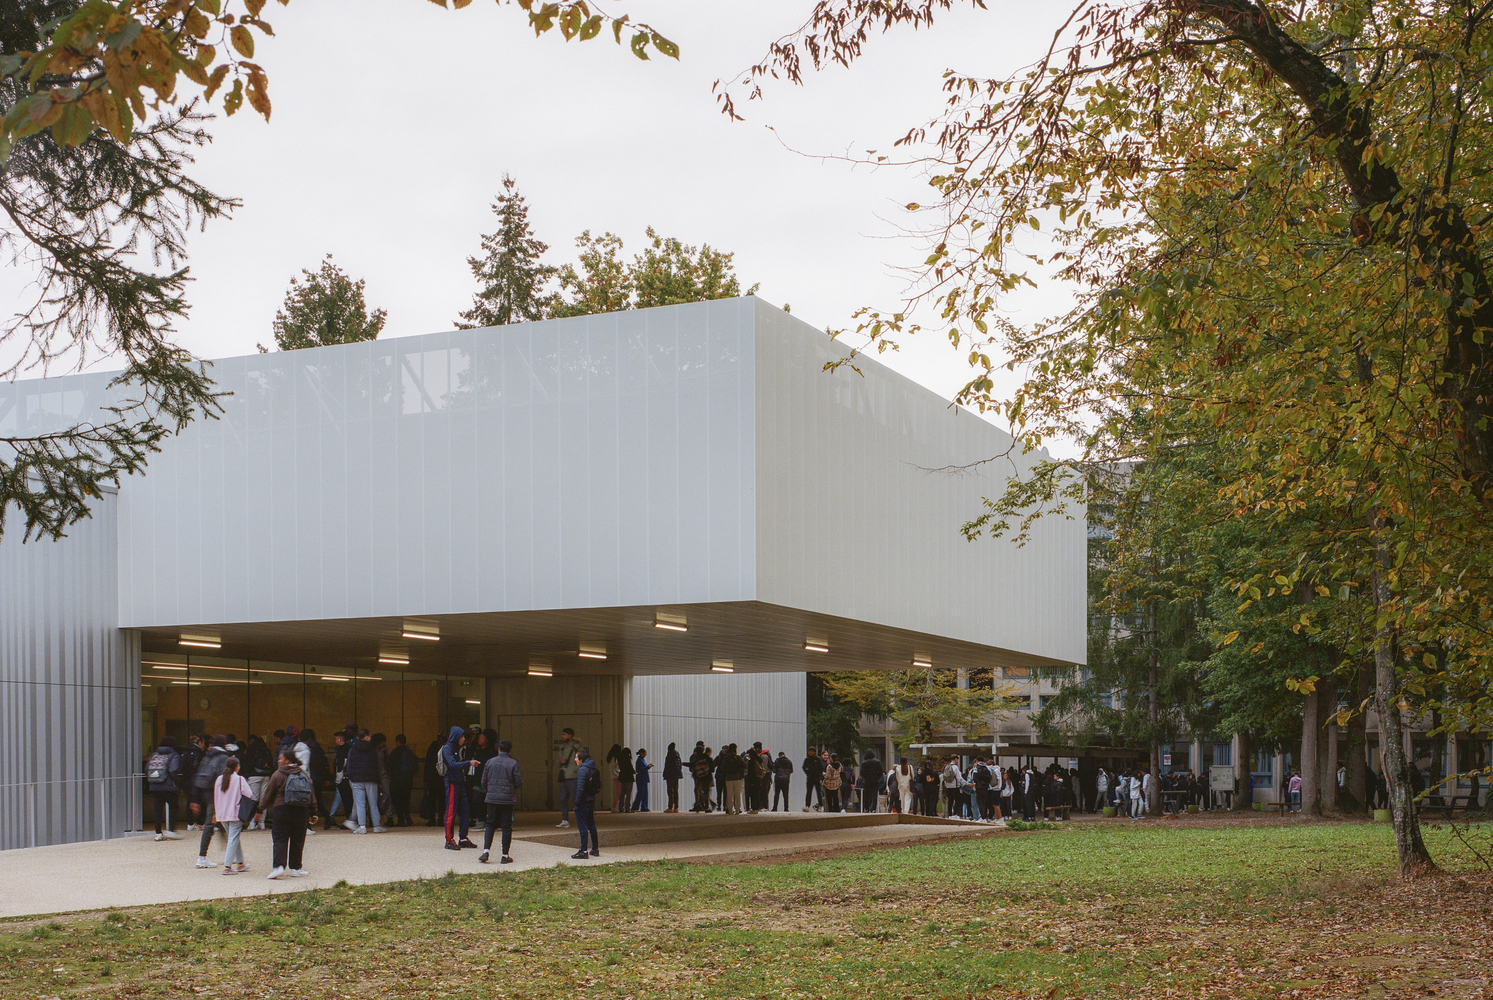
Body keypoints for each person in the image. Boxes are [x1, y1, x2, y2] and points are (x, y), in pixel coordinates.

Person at [255, 750, 315, 879]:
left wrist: (260, 809)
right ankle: (296, 868)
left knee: (280, 838)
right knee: (298, 839)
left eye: (280, 759)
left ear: (287, 761)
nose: (278, 761)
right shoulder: (303, 773)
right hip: (301, 810)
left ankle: (279, 867)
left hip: (282, 809)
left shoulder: (278, 774)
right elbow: (311, 794)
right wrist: (313, 812)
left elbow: (268, 794)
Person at [478, 738, 523, 864]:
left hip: (491, 798)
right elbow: (519, 781)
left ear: (498, 749)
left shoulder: (489, 762)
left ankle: (486, 851)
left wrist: (490, 790)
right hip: (507, 799)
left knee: (490, 824)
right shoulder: (513, 763)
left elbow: (483, 781)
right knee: (506, 826)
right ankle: (505, 855)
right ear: (510, 750)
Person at [193, 735, 230, 868]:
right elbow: (225, 779)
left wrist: (195, 799)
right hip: (218, 796)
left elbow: (198, 776)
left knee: (220, 824)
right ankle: (202, 857)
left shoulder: (207, 756)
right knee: (212, 824)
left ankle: (226, 852)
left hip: (207, 794)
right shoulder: (224, 758)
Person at [211, 756, 253, 874]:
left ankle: (240, 863)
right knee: (233, 839)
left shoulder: (219, 779)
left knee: (234, 838)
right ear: (237, 766)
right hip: (235, 813)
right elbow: (249, 794)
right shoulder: (239, 779)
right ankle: (227, 867)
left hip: (222, 814)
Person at [441, 725, 480, 851]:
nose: (464, 739)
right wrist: (469, 762)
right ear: (456, 736)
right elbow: (452, 764)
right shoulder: (447, 748)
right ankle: (449, 839)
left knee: (465, 809)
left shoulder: (455, 748)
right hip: (452, 782)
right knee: (451, 811)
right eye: (462, 736)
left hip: (459, 782)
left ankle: (463, 838)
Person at [345, 729, 386, 833]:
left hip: (357, 780)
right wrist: (378, 780)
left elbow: (349, 765)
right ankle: (376, 826)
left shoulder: (353, 749)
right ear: (366, 736)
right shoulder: (372, 749)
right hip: (371, 779)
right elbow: (376, 765)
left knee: (360, 804)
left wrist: (352, 777)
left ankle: (362, 826)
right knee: (373, 803)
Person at [145, 735, 185, 840]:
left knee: (157, 809)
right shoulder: (173, 755)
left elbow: (147, 769)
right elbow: (173, 770)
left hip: (155, 785)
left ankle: (158, 833)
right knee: (174, 807)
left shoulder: (154, 754)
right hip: (169, 786)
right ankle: (171, 830)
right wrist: (178, 782)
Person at [572, 747, 601, 859]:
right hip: (591, 800)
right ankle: (595, 849)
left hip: (583, 802)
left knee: (582, 826)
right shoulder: (592, 768)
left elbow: (580, 788)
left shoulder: (583, 770)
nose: (575, 759)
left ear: (581, 759)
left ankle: (583, 851)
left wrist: (577, 803)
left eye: (576, 757)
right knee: (591, 825)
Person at [387, 734, 418, 826]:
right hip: (408, 780)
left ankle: (401, 819)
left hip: (397, 780)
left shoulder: (394, 752)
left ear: (397, 742)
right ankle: (407, 816)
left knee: (397, 800)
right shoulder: (410, 752)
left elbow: (389, 765)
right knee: (406, 799)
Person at [555, 728, 581, 826]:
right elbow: (557, 762)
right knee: (563, 799)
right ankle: (565, 820)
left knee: (575, 799)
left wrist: (576, 771)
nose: (562, 736)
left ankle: (580, 819)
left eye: (564, 734)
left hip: (573, 776)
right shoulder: (562, 747)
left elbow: (582, 761)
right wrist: (560, 761)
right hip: (564, 776)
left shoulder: (577, 747)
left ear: (570, 735)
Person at [719, 744, 747, 814]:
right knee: (737, 795)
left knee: (729, 795)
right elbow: (744, 765)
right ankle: (737, 810)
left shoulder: (726, 758)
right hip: (737, 778)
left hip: (728, 778)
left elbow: (722, 768)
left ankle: (730, 810)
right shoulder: (738, 757)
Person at [690, 743, 714, 813]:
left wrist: (683, 763)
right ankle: (706, 807)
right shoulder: (708, 759)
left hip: (700, 777)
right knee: (706, 792)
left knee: (699, 790)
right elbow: (712, 769)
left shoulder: (698, 758)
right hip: (707, 777)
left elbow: (692, 764)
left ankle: (699, 803)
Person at [662, 742, 683, 813]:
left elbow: (667, 766)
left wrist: (665, 774)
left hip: (670, 776)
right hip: (676, 775)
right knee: (676, 791)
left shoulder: (669, 755)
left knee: (670, 791)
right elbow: (680, 765)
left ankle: (670, 807)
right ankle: (676, 807)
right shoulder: (677, 755)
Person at [605, 744, 626, 813]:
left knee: (618, 792)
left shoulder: (613, 758)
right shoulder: (614, 758)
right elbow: (614, 769)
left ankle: (616, 806)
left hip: (615, 776)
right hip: (617, 777)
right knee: (621, 791)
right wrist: (619, 775)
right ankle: (624, 806)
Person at [617, 747, 636, 813]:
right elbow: (630, 768)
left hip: (622, 777)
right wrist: (634, 772)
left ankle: (620, 807)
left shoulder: (619, 759)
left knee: (622, 793)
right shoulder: (627, 759)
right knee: (628, 793)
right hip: (629, 777)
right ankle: (627, 808)